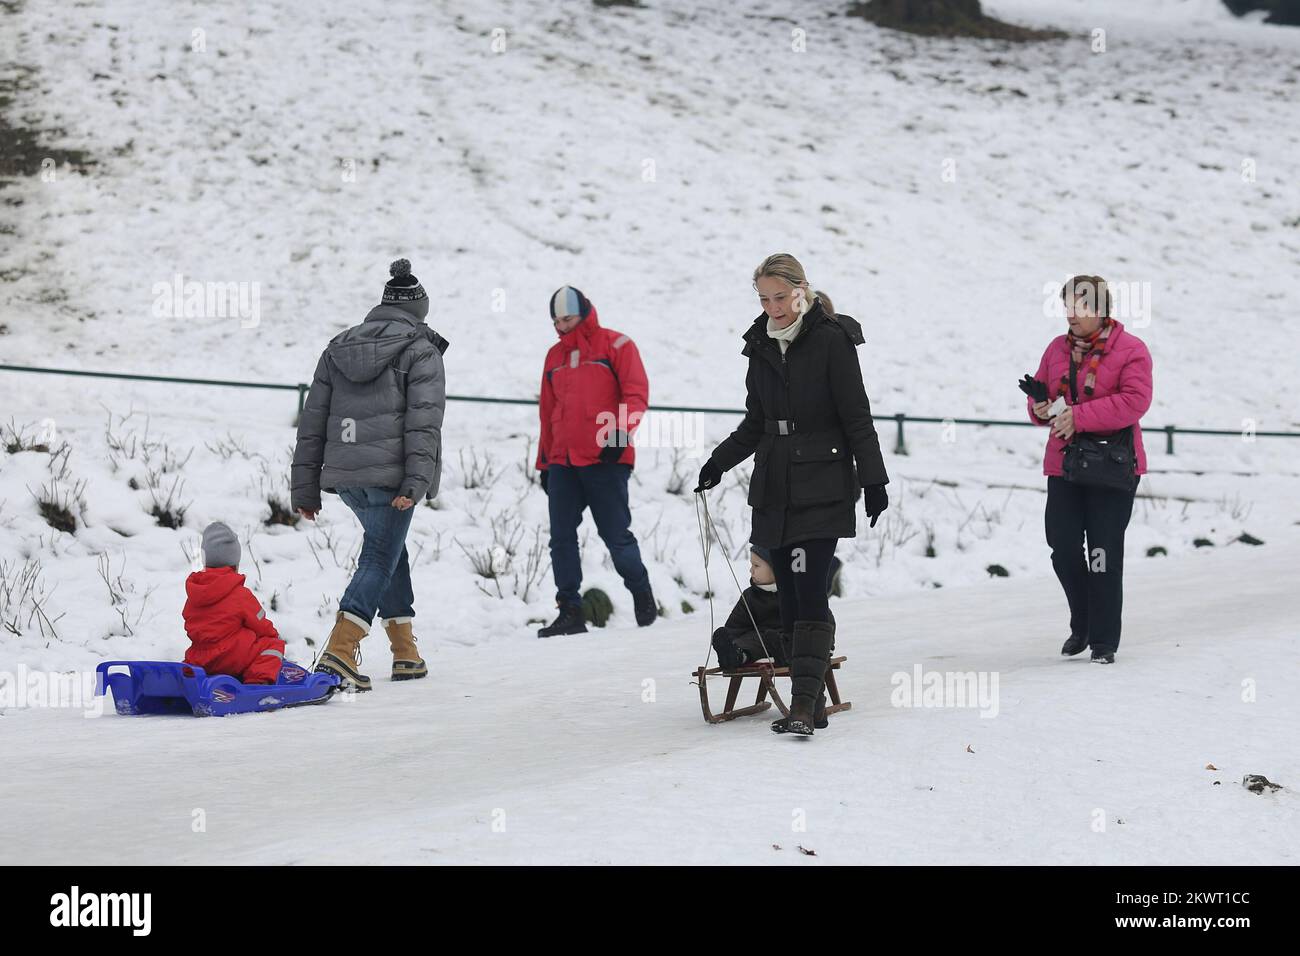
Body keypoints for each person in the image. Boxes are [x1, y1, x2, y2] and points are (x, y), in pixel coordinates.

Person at [695, 253, 888, 736]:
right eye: (763, 298)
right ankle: (813, 702)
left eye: (780, 297)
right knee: (786, 594)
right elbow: (756, 423)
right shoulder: (760, 345)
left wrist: (874, 479)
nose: (773, 307)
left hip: (823, 485)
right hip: (774, 485)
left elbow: (857, 417)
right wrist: (718, 461)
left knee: (807, 588)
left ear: (801, 290)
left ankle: (802, 704)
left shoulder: (831, 340)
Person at [290, 258, 449, 690]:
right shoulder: (421, 351)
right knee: (380, 556)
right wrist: (415, 482)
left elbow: (313, 421)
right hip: (393, 479)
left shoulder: (337, 347)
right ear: (420, 310)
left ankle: (405, 652)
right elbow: (423, 422)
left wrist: (306, 487)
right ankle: (340, 651)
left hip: (348, 479)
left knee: (389, 550)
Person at [1027, 275, 1152, 665]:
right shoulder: (1056, 349)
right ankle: (1081, 620)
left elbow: (1135, 401)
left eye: (1079, 307)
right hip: (1065, 463)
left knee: (1102, 552)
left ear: (1100, 309)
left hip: (1112, 466)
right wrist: (1040, 408)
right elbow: (1043, 400)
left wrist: (1079, 417)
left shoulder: (1131, 350)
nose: (1070, 314)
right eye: (1066, 305)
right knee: (1062, 547)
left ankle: (1102, 639)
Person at [535, 285, 657, 637]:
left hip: (606, 459)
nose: (562, 327)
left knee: (615, 535)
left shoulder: (617, 345)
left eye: (568, 319)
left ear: (584, 313)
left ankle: (641, 591)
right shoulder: (553, 357)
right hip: (563, 461)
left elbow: (636, 394)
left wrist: (618, 436)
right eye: (556, 321)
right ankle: (570, 610)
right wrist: (544, 462)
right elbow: (547, 412)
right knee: (560, 538)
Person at [711, 547, 842, 712]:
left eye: (757, 566)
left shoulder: (797, 592)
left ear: (776, 568)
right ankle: (736, 655)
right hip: (763, 642)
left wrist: (825, 645)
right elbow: (736, 627)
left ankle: (777, 651)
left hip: (793, 642)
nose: (751, 570)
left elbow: (822, 622)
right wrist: (731, 639)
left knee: (791, 639)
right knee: (755, 639)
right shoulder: (751, 596)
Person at [183, 522, 285, 684]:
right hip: (230, 658)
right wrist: (274, 635)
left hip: (199, 660)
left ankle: (189, 681)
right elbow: (261, 625)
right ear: (234, 564)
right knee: (272, 644)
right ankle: (257, 681)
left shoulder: (194, 594)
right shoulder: (240, 595)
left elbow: (190, 625)